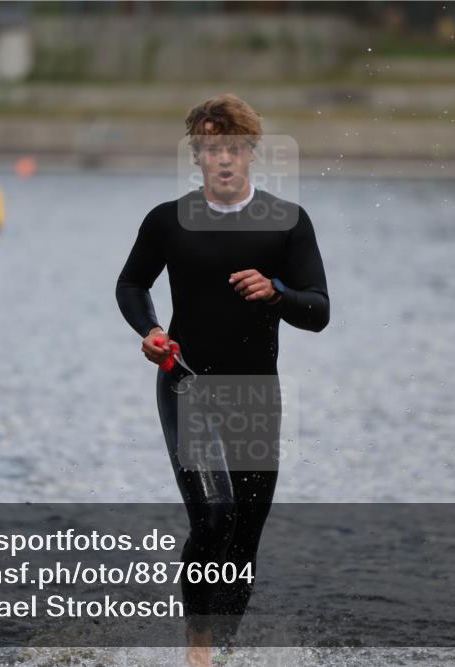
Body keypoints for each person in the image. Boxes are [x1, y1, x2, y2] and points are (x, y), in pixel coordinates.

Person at [115, 94, 329, 666]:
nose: (224, 160)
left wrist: (278, 292)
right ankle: (199, 651)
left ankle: (227, 652)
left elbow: (320, 310)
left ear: (251, 153)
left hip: (257, 394)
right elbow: (130, 285)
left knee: (245, 535)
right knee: (214, 515)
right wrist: (151, 330)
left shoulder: (287, 222)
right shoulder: (168, 220)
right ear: (198, 157)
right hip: (186, 384)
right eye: (211, 150)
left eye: (233, 148)